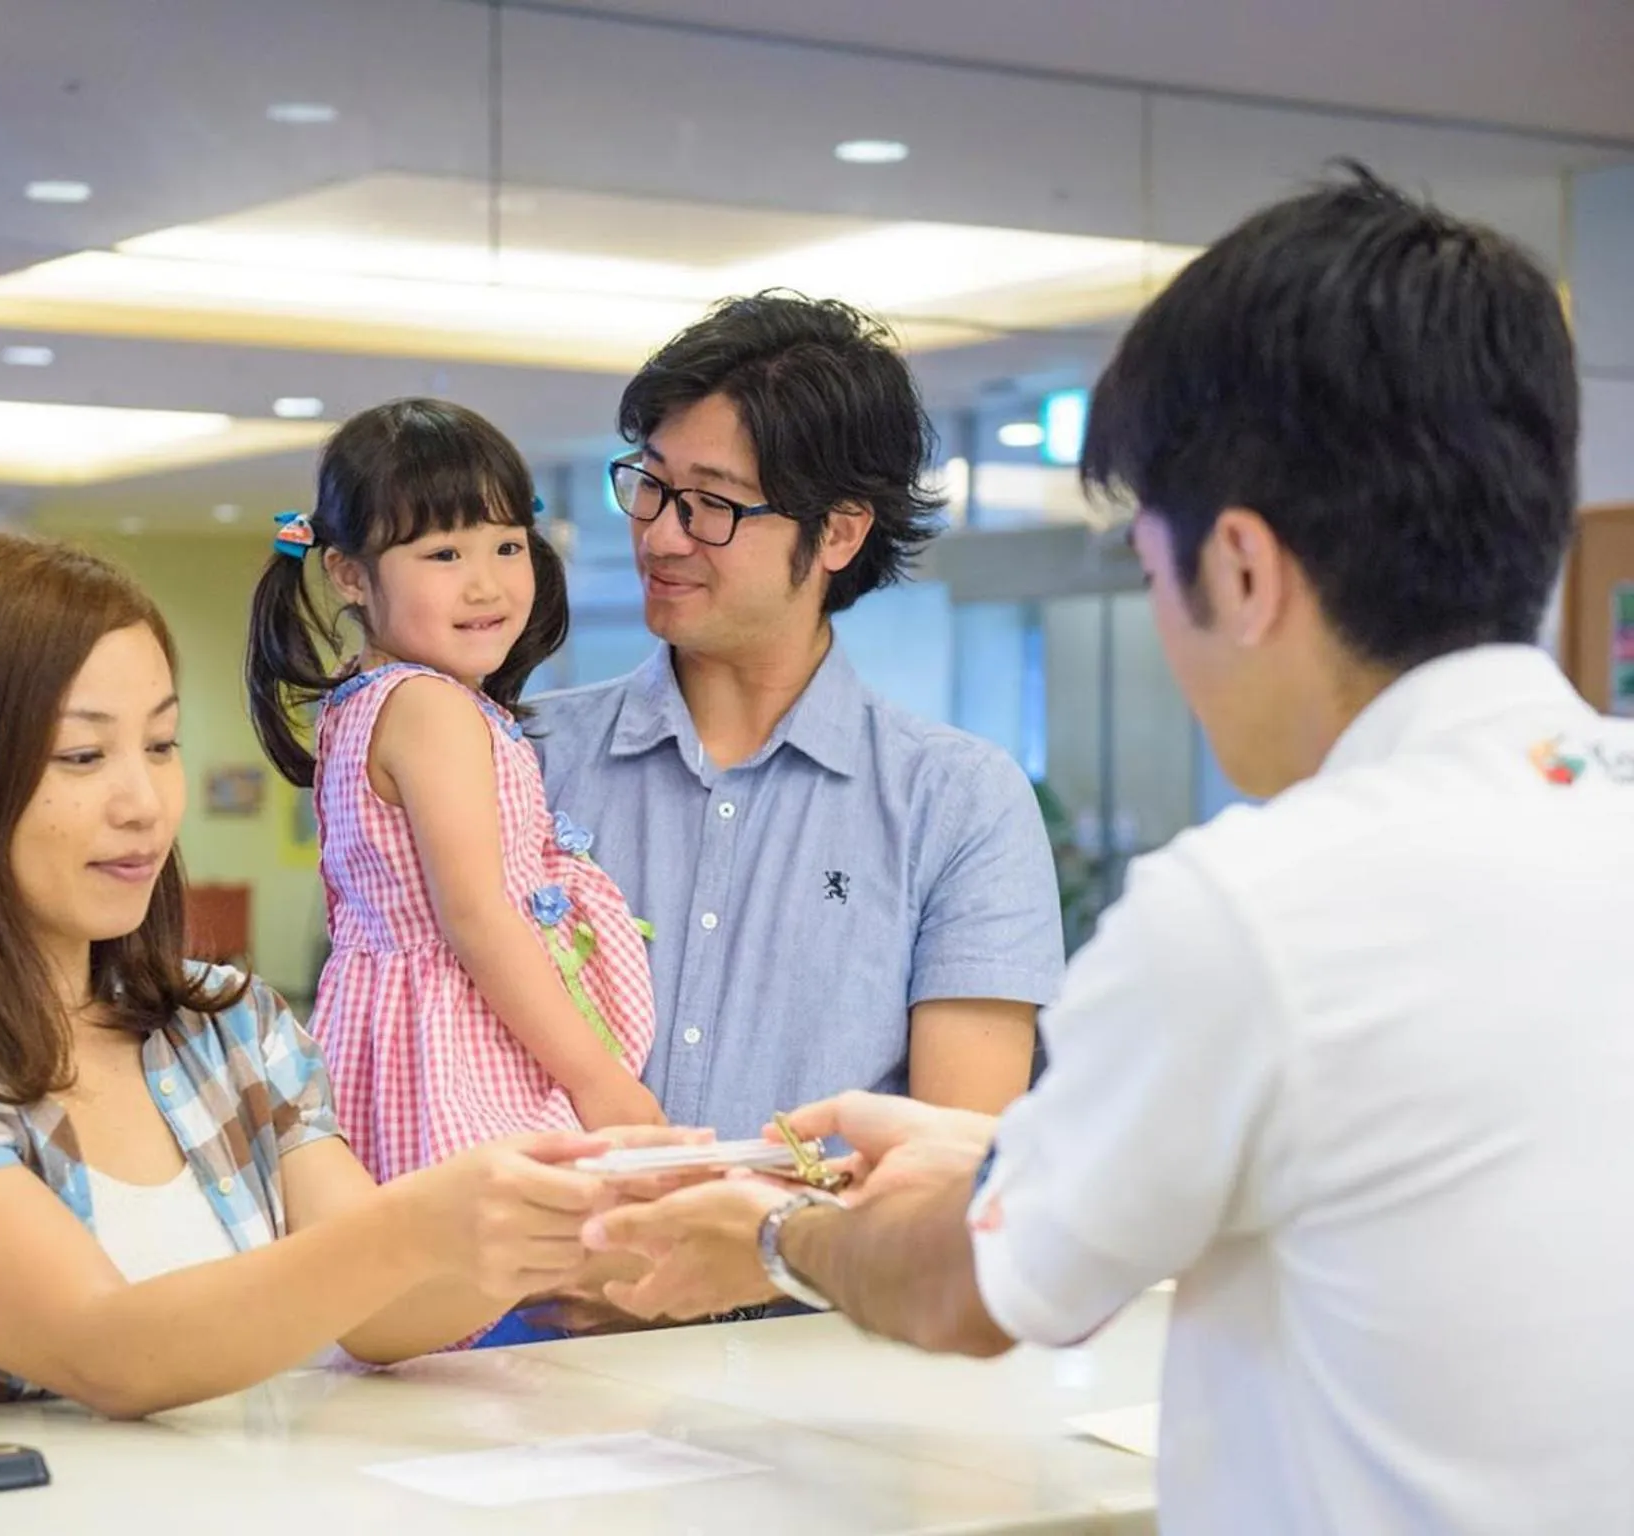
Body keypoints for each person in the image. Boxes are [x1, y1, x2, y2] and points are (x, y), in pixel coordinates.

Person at [583, 168, 1634, 1533]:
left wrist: (773, 1233)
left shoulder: (1254, 912)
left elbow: (981, 1286)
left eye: (1151, 571)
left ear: (1242, 572)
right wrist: (987, 1145)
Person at [0, 529, 633, 1422]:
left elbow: (383, 1315)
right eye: (83, 757)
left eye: (163, 744)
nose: (144, 805)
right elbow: (107, 1351)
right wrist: (421, 1224)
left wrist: (566, 1216)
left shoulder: (228, 1025)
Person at [530, 293, 1063, 1142]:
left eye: (711, 503)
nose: (662, 537)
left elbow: (954, 1182)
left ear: (841, 533)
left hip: (815, 1279)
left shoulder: (957, 803)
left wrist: (753, 1238)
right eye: (651, 484)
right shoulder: (524, 757)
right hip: (533, 1277)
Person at [247, 398, 660, 1185]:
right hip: (461, 1042)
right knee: (512, 1264)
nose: (487, 585)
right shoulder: (431, 708)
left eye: (507, 545)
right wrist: (596, 1080)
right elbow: (475, 917)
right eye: (442, 555)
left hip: (394, 1032)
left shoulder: (363, 696)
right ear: (347, 574)